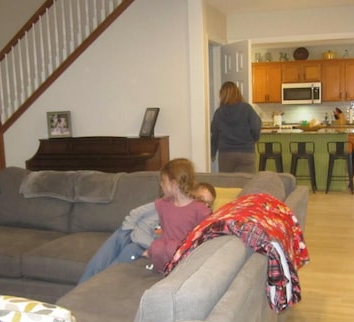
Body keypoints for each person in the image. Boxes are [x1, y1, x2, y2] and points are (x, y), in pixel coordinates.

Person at [78, 180, 215, 284]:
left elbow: (172, 244)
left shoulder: (200, 224)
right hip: (130, 235)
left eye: (209, 203)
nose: (205, 206)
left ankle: (90, 289)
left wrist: (148, 249)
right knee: (105, 255)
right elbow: (138, 217)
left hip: (140, 244)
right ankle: (80, 293)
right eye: (201, 200)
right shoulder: (171, 206)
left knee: (118, 262)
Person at [144, 158, 213, 273]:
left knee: (172, 248)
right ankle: (161, 272)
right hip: (164, 247)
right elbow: (155, 226)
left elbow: (207, 234)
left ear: (174, 184)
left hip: (186, 250)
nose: (161, 184)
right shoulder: (162, 204)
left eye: (163, 181)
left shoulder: (199, 209)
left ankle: (176, 272)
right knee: (157, 246)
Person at [210, 81, 262, 173]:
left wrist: (212, 152)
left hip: (226, 154)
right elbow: (256, 126)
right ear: (237, 93)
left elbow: (214, 134)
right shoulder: (247, 109)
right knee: (246, 183)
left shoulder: (219, 112)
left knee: (227, 184)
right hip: (246, 152)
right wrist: (255, 139)